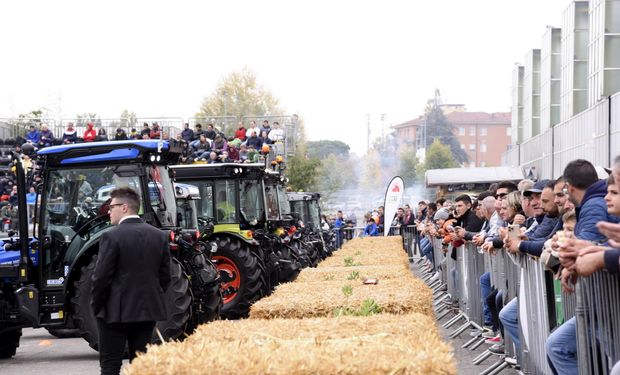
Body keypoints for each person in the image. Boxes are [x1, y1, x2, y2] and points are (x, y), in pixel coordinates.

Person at [90, 187, 171, 375]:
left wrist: (97, 307)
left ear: (124, 207)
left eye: (111, 207)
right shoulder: (159, 236)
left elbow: (101, 277)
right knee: (140, 365)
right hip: (147, 312)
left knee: (110, 365)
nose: (108, 211)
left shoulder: (111, 236)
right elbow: (165, 276)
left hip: (114, 313)